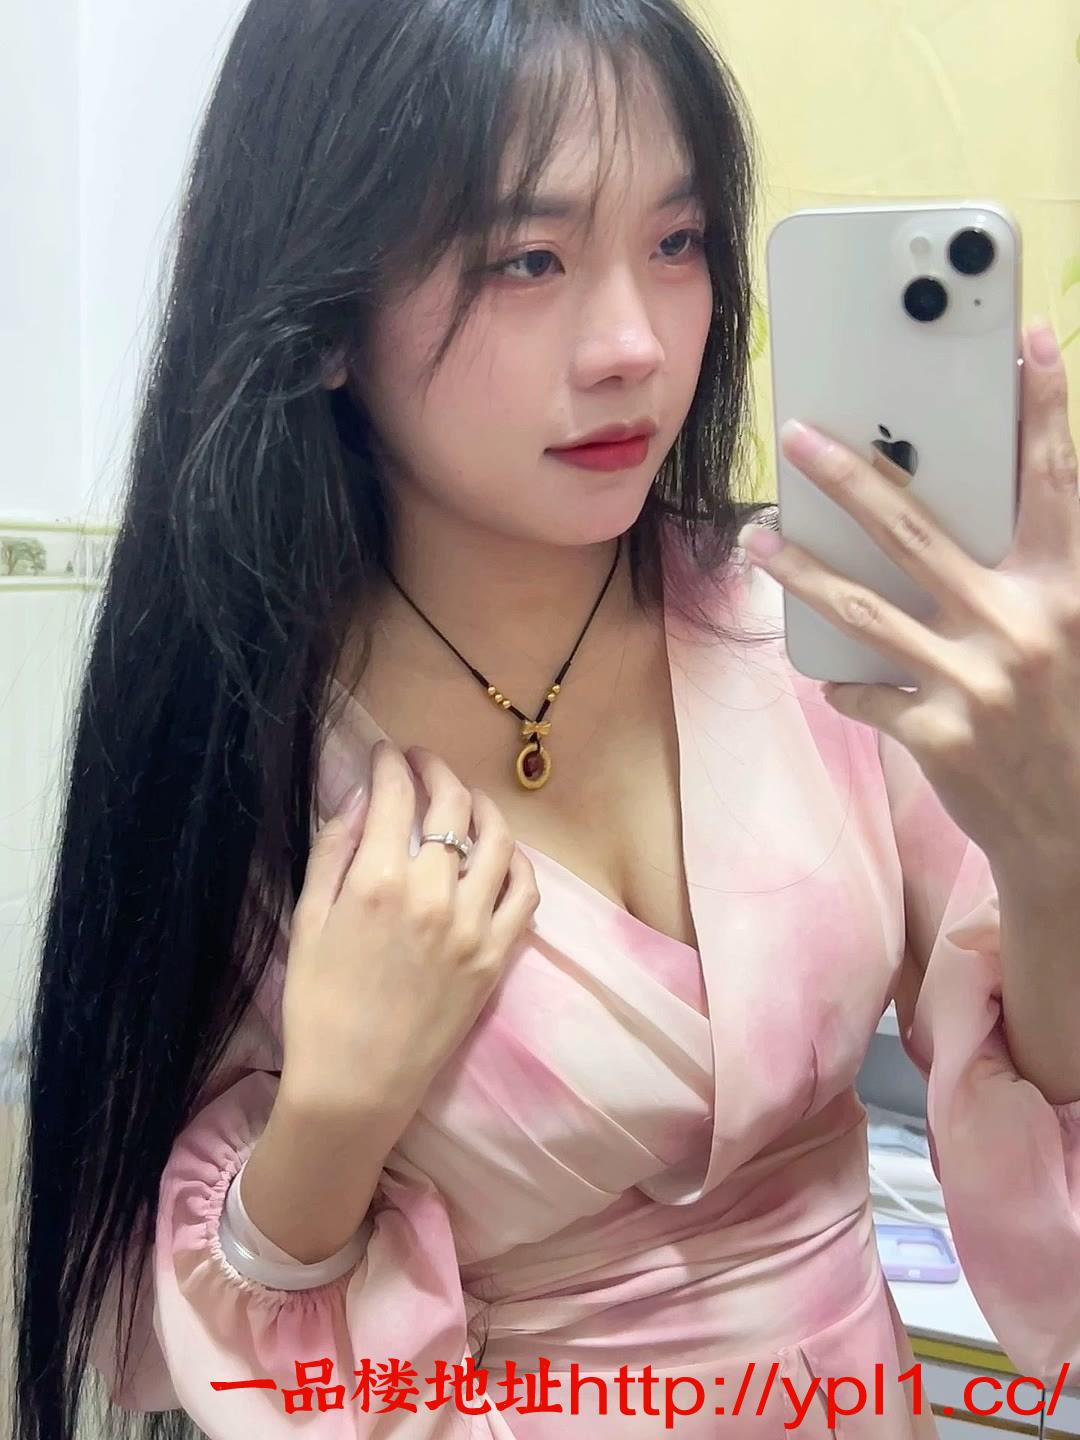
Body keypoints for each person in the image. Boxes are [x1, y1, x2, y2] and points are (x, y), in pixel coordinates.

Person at [11, 1, 1080, 1437]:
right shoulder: (242, 747)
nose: (635, 344)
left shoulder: (798, 630)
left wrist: (1055, 844)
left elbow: (1043, 1134)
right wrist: (334, 1115)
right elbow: (189, 1347)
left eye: (679, 242)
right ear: (326, 318)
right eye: (529, 258)